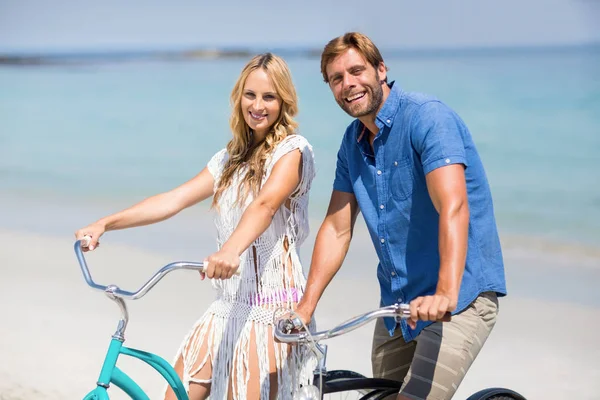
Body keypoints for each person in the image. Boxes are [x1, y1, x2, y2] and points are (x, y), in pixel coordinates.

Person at [75, 53, 317, 400]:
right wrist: (105, 224)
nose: (258, 105)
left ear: (283, 101)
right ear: (239, 97)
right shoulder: (229, 159)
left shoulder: (292, 151)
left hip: (272, 308)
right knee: (175, 394)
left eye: (269, 97)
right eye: (250, 95)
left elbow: (265, 205)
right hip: (228, 303)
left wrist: (229, 250)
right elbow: (173, 200)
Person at [293, 32, 507, 400]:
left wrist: (444, 293)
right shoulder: (352, 142)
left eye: (356, 70)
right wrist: (304, 308)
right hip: (399, 307)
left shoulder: (428, 117)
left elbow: (452, 206)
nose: (349, 84)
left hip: (460, 298)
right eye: (336, 79)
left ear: (381, 69)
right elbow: (337, 227)